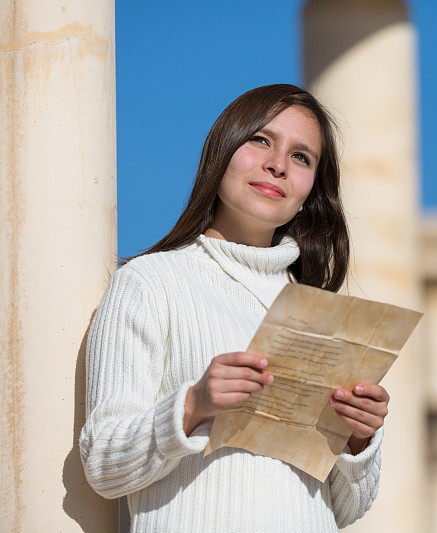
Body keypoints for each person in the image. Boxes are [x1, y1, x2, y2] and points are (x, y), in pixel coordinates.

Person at [79, 84, 389, 532]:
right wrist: (194, 404)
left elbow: (346, 508)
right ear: (221, 151)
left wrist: (359, 438)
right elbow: (104, 464)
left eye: (302, 157)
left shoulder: (326, 319)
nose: (277, 165)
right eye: (260, 140)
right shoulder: (150, 282)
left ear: (311, 192)